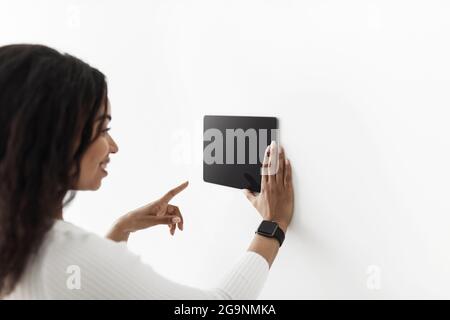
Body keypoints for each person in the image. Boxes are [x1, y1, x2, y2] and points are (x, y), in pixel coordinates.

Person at [0, 44, 294, 299]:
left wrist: (120, 230)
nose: (113, 147)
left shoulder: (16, 240)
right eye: (103, 129)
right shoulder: (65, 255)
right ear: (55, 138)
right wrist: (274, 223)